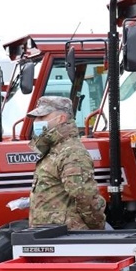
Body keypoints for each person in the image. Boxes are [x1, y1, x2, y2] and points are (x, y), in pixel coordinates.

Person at [27, 96, 106, 230]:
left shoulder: (72, 152)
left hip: (68, 237)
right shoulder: (54, 149)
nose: (36, 122)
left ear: (61, 119)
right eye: (36, 118)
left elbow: (84, 197)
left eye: (42, 117)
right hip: (51, 235)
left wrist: (96, 228)